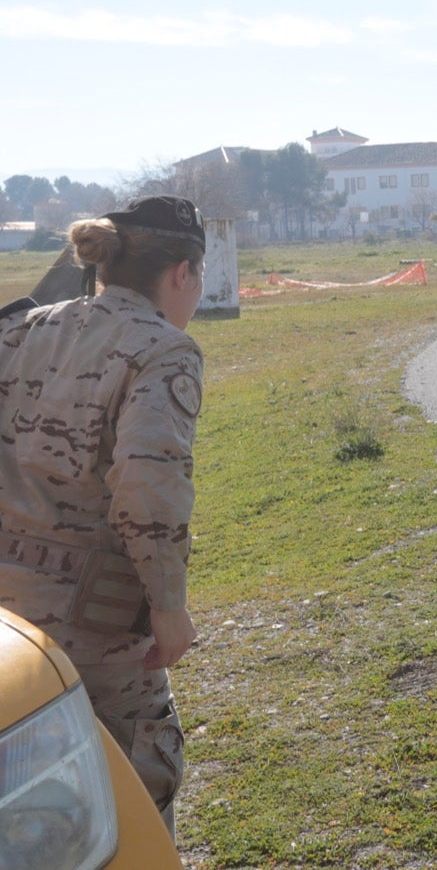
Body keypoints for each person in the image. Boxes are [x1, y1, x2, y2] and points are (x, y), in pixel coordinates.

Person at [0, 195, 205, 834]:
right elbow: (147, 486)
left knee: (25, 794)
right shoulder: (165, 348)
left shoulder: (20, 329)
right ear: (183, 274)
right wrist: (169, 606)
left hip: (7, 621)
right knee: (132, 791)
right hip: (99, 624)